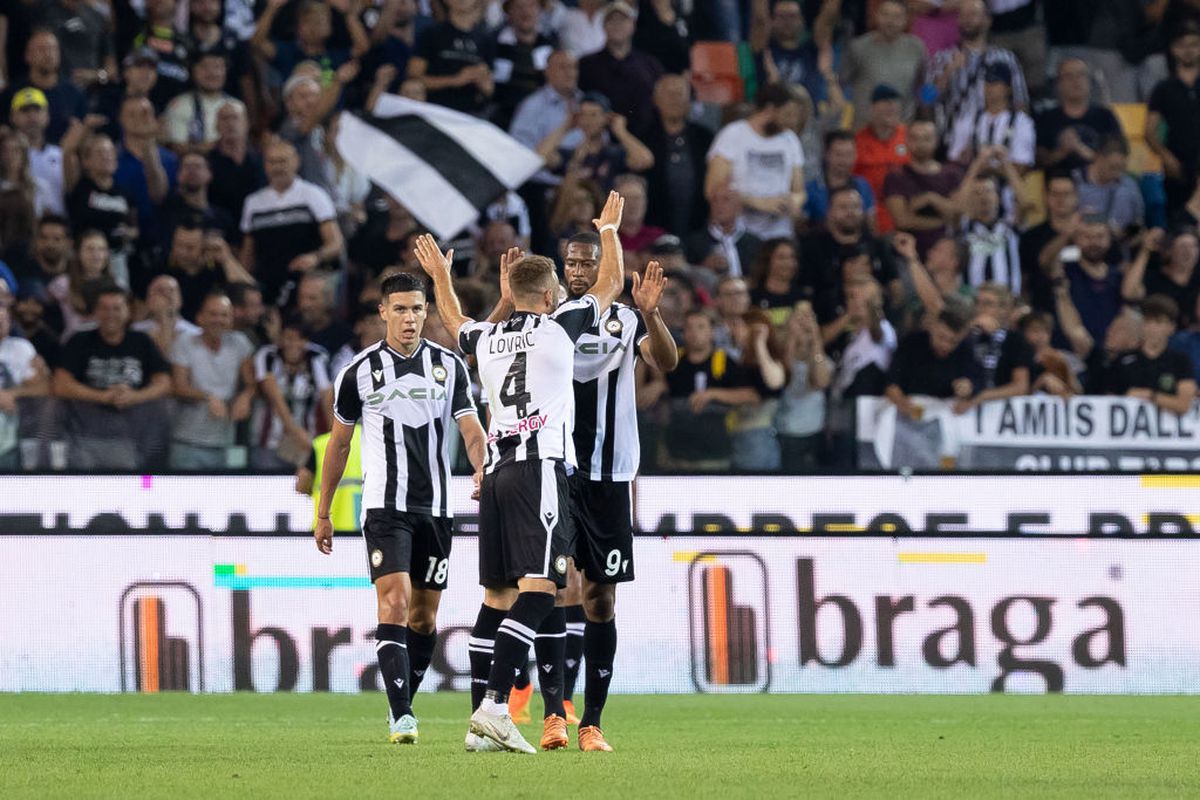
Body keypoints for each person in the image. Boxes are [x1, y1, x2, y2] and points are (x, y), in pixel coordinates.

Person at [412, 190, 625, 754]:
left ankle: (478, 727)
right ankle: (495, 707)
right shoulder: (560, 326)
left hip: (499, 474)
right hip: (541, 469)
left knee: (499, 596)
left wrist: (440, 277)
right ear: (552, 294)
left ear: (511, 293)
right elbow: (612, 284)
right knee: (545, 588)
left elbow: (454, 318)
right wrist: (607, 232)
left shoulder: (487, 339)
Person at [504, 232, 676, 749]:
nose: (578, 271)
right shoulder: (547, 324)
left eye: (588, 263)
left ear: (606, 267)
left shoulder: (622, 320)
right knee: (555, 586)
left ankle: (592, 722)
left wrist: (653, 315)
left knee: (601, 599)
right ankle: (554, 711)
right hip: (556, 469)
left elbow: (665, 362)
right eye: (571, 263)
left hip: (610, 475)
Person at [313, 270, 486, 745]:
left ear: (426, 312)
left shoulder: (450, 367)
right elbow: (340, 445)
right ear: (382, 312)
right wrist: (324, 511)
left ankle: (402, 697)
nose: (410, 318)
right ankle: (402, 715)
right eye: (401, 309)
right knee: (395, 599)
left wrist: (480, 464)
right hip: (384, 506)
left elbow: (470, 428)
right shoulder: (358, 372)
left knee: (425, 617)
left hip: (437, 507)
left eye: (418, 309)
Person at [53, 285, 172, 469]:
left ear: (128, 312)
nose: (110, 314)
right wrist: (103, 396)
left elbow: (164, 383)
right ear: (95, 312)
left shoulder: (141, 341)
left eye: (117, 308)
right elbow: (60, 384)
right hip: (84, 438)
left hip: (133, 439)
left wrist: (134, 396)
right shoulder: (79, 340)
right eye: (104, 308)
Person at [239, 139, 343, 306]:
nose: (277, 167)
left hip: (304, 284)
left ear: (296, 162)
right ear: (265, 166)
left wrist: (314, 258)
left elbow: (336, 243)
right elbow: (248, 253)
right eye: (272, 162)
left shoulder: (313, 195)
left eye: (283, 161)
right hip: (266, 285)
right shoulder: (253, 203)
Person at [706, 82, 807, 241]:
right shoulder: (732, 136)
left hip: (780, 234)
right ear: (770, 109)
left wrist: (793, 203)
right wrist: (759, 203)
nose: (792, 122)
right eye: (787, 114)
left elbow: (799, 190)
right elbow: (712, 190)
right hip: (741, 234)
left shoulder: (790, 139)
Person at [169, 291, 256, 469]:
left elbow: (251, 383)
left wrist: (246, 397)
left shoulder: (240, 343)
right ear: (200, 317)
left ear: (231, 319)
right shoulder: (185, 342)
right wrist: (207, 397)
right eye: (213, 314)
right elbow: (178, 386)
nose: (218, 320)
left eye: (224, 315)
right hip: (188, 441)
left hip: (225, 441)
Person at [925, 0, 1027, 142]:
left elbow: (1020, 102)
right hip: (955, 140)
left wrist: (1010, 138)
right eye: (963, 15)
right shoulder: (942, 58)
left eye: (973, 14)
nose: (967, 19)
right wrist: (949, 71)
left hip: (996, 140)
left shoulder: (1006, 58)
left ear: (987, 20)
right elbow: (925, 99)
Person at [250, 315, 333, 470]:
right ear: (281, 338)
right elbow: (274, 397)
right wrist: (295, 432)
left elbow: (327, 398)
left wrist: (333, 439)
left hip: (307, 443)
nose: (293, 344)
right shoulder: (268, 356)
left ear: (306, 341)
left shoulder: (317, 357)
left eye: (299, 339)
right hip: (269, 443)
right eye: (288, 338)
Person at [577, 2, 663, 138]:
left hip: (646, 139)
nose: (617, 24)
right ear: (603, 26)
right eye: (611, 20)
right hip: (600, 141)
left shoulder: (650, 64)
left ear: (633, 25)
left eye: (623, 20)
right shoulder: (586, 64)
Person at [642, 74, 713, 238]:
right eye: (669, 94)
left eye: (680, 94)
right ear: (656, 100)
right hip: (655, 227)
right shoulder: (643, 138)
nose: (675, 100)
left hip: (698, 227)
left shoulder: (705, 137)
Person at [882, 118, 963, 256]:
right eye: (915, 138)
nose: (920, 144)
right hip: (909, 253)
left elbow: (957, 214)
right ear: (906, 140)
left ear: (936, 140)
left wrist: (931, 199)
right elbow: (903, 220)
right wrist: (942, 222)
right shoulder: (896, 177)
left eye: (926, 138)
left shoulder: (951, 174)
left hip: (946, 254)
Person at [1108, 295, 1197, 414]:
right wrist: (1127, 396)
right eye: (1147, 321)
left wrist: (1151, 396)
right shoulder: (1123, 360)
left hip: (1168, 431)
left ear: (1171, 327)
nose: (1152, 328)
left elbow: (1184, 404)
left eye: (1158, 322)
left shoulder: (1180, 361)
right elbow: (1108, 401)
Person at [842, 0, 926, 127]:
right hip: (864, 128)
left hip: (902, 129)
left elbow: (922, 85)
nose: (890, 21)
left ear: (907, 19)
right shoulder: (858, 47)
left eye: (897, 16)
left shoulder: (916, 47)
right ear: (876, 16)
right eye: (885, 15)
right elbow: (842, 84)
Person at [885, 306, 979, 417]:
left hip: (947, 414)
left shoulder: (965, 349)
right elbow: (891, 383)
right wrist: (905, 405)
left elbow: (977, 381)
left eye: (953, 341)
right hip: (911, 409)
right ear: (932, 328)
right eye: (941, 337)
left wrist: (968, 388)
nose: (945, 345)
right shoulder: (911, 342)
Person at [1147, 24, 1200, 216]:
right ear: (1173, 49)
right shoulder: (1163, 88)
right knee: (1177, 218)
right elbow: (1150, 131)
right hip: (1177, 163)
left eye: (1194, 45)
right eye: (1182, 45)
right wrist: (1166, 157)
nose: (1188, 51)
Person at [407, 0, 495, 116]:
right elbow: (414, 78)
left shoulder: (486, 39)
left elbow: (490, 89)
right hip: (434, 110)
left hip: (471, 115)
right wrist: (455, 80)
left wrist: (484, 83)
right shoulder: (431, 33)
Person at [1035, 59, 1121, 173]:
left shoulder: (1105, 116)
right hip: (1059, 186)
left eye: (1081, 75)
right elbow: (1038, 160)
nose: (1076, 81)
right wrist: (1061, 151)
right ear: (1059, 84)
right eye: (1069, 76)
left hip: (1099, 184)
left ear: (1090, 82)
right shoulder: (1046, 118)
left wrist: (1080, 148)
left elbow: (1116, 159)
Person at [853, 84, 909, 233]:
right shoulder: (858, 141)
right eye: (885, 102)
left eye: (894, 102)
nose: (891, 106)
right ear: (872, 108)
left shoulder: (909, 136)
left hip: (906, 214)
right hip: (870, 215)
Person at [0, 300, 48, 470]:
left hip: (10, 438)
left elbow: (42, 389)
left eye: (3, 321)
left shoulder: (20, 348)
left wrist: (11, 395)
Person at [685, 186, 762, 284]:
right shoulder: (694, 242)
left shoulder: (755, 243)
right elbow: (686, 279)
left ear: (739, 207)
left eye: (726, 200)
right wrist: (703, 268)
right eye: (714, 200)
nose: (719, 205)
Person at [8, 86, 64, 216]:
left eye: (37, 110)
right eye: (25, 110)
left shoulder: (60, 155)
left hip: (56, 228)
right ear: (13, 116)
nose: (32, 116)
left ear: (47, 115)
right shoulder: (6, 155)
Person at [1073, 136, 1145, 235]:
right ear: (1098, 158)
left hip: (1120, 244)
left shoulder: (1129, 186)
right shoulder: (1074, 182)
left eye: (1121, 168)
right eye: (1112, 167)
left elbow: (1138, 224)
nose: (1117, 174)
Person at [805, 130, 876, 229]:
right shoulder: (811, 189)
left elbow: (871, 224)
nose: (844, 160)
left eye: (849, 154)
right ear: (827, 155)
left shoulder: (863, 186)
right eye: (838, 154)